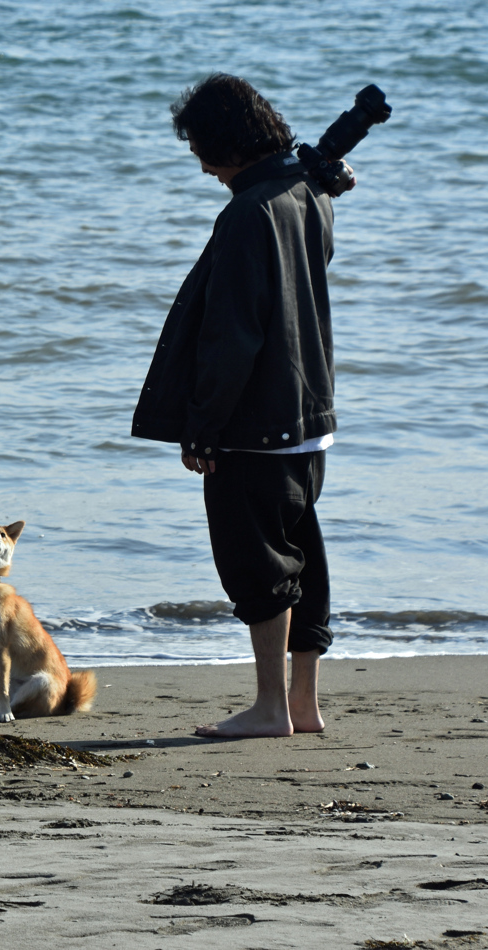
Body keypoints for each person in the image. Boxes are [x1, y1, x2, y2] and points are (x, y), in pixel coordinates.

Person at [132, 74, 336, 738]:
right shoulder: (308, 195)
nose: (200, 163)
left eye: (201, 147)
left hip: (253, 425)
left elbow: (232, 337)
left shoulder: (248, 213)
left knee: (259, 567)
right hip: (309, 419)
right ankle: (303, 704)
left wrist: (203, 427)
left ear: (227, 141)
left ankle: (271, 707)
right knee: (301, 555)